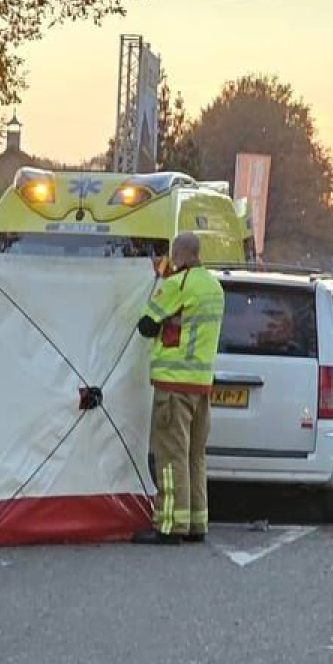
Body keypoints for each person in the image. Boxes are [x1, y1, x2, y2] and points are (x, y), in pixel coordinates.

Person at [133, 232, 226, 544]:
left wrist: (160, 289)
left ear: (179, 254)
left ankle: (170, 525)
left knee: (171, 457)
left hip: (173, 384)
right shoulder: (214, 286)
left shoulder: (177, 284)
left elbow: (146, 326)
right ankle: (196, 522)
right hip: (201, 386)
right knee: (194, 456)